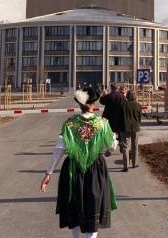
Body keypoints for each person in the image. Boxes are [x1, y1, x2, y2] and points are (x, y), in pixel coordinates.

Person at [40, 87, 118, 238]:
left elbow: (59, 150)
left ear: (79, 104)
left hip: (72, 169)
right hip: (96, 169)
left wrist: (48, 173)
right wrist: (107, 150)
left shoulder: (70, 123)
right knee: (93, 206)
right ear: (94, 104)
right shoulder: (103, 123)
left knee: (74, 208)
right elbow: (111, 147)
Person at [118, 90, 142, 171]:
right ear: (135, 96)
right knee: (135, 146)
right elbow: (139, 117)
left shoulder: (122, 105)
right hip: (135, 128)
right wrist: (138, 124)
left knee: (125, 147)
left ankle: (125, 166)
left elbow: (119, 117)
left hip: (124, 128)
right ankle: (134, 164)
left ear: (127, 96)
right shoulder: (138, 105)